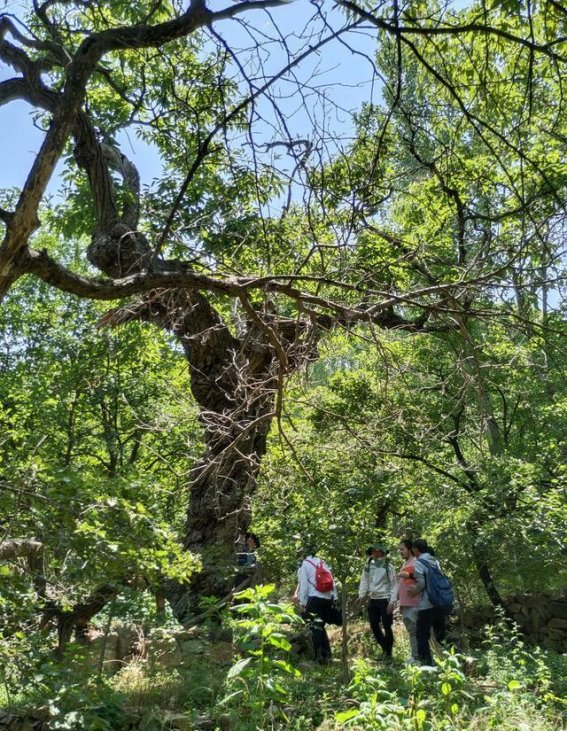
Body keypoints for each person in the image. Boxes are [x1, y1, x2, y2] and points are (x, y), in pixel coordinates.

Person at [295, 546, 338, 664]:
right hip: (327, 598)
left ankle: (318, 657)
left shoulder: (305, 564)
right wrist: (335, 597)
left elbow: (303, 585)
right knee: (321, 625)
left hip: (314, 598)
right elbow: (332, 581)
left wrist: (302, 602)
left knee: (315, 627)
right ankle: (327, 655)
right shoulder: (322, 562)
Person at [410, 538, 447, 667]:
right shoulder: (435, 561)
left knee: (421, 635)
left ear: (415, 549)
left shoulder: (419, 562)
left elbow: (421, 583)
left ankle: (426, 665)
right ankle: (450, 661)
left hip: (426, 604)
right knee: (440, 635)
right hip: (440, 601)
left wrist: (413, 591)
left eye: (413, 549)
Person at [358, 544, 398, 660]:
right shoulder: (368, 566)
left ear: (382, 552)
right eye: (373, 552)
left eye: (377, 551)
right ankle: (385, 648)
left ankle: (388, 653)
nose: (375, 554)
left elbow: (394, 584)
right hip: (373, 599)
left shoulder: (388, 566)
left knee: (387, 625)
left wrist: (392, 601)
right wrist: (361, 595)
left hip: (385, 599)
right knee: (374, 624)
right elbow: (364, 580)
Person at [397, 539, 420, 664]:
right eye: (399, 549)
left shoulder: (416, 562)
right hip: (405, 603)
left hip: (414, 603)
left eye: (402, 549)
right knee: (412, 631)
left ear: (410, 549)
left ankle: (419, 657)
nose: (400, 552)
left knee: (416, 630)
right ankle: (415, 656)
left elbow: (421, 577)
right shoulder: (405, 564)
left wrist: (409, 576)